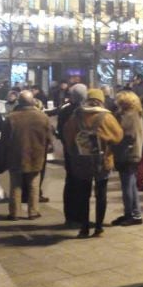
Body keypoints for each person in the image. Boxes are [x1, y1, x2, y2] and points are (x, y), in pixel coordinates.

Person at [63, 88, 124, 238]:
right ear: (101, 100)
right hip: (102, 161)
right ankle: (98, 227)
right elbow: (118, 136)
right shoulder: (107, 117)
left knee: (83, 195)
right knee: (101, 194)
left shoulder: (76, 116)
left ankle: (84, 228)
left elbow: (67, 136)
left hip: (81, 162)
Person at [2, 91, 53, 220]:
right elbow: (49, 138)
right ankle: (33, 211)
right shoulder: (43, 117)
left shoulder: (11, 117)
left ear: (19, 101)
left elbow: (5, 139)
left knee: (15, 184)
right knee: (34, 183)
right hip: (36, 154)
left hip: (16, 154)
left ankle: (15, 212)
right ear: (32, 101)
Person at [111, 91, 143, 226]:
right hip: (131, 153)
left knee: (128, 186)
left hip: (127, 154)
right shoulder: (136, 113)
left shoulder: (128, 116)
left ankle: (134, 214)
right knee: (130, 185)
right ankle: (131, 213)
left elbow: (121, 134)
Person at [56, 84, 87, 227]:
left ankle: (70, 215)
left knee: (70, 182)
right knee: (82, 184)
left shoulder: (65, 110)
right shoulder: (84, 111)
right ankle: (80, 216)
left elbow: (60, 131)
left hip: (69, 151)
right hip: (83, 153)